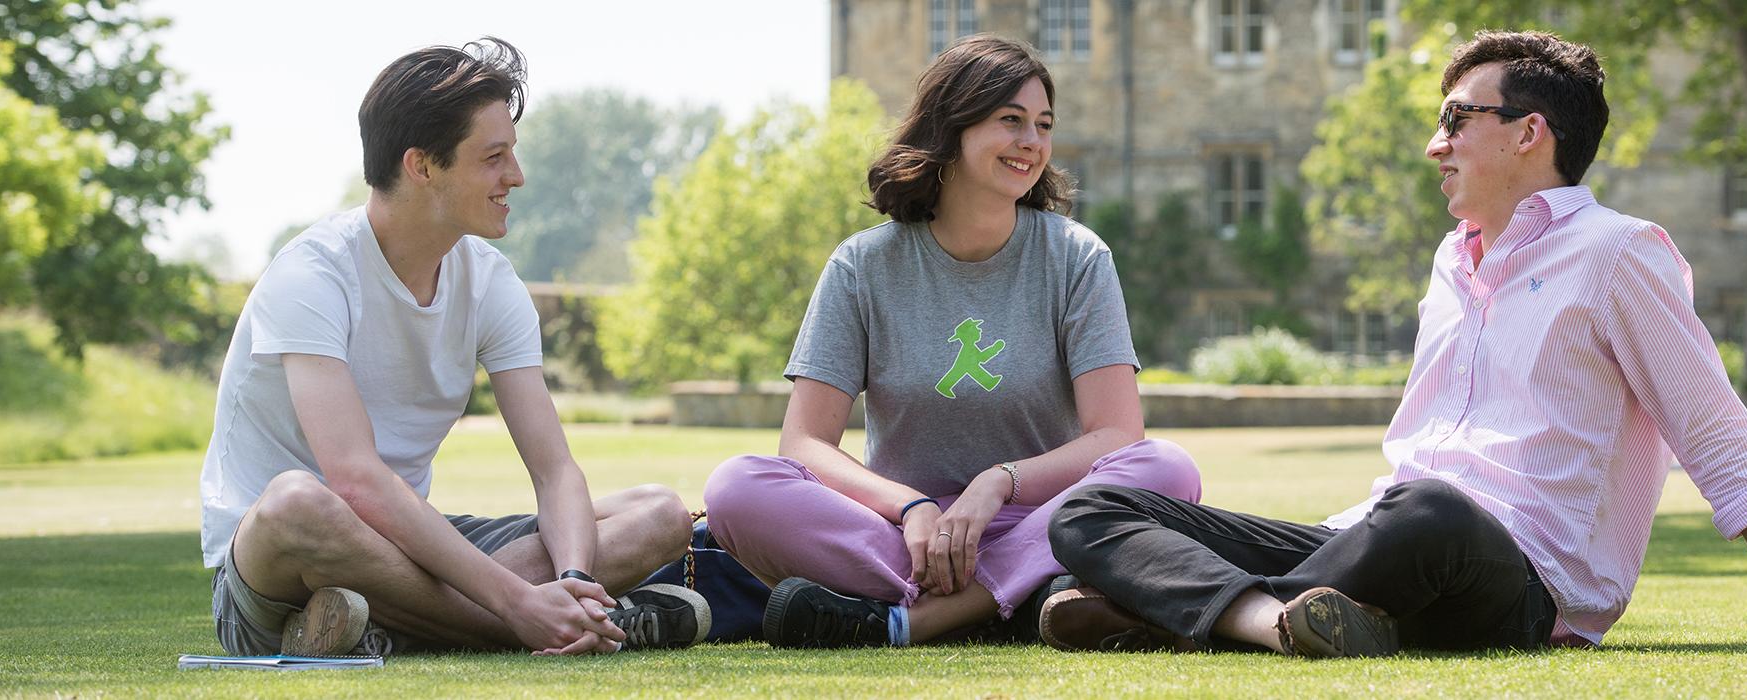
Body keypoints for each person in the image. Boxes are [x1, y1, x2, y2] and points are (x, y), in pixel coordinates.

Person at [1041, 30, 1747, 657]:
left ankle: (1168, 611)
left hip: (1516, 579)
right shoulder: (1452, 260)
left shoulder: (1618, 255)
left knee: (1428, 513)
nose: (1434, 144)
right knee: (1093, 508)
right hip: (1369, 537)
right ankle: (1276, 622)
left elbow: (1716, 435)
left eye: (1455, 120)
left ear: (1530, 133)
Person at [199, 37, 707, 658]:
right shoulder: (312, 274)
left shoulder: (490, 281)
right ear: (422, 166)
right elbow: (355, 480)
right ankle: (543, 625)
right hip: (278, 567)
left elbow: (554, 471)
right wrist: (518, 600)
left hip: (405, 552)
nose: (515, 177)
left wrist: (575, 577)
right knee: (298, 503)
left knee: (660, 514)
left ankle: (398, 627)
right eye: (493, 158)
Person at [701, 34, 1200, 649]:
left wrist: (997, 483)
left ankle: (921, 616)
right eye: (1010, 121)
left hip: (1046, 520)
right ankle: (1018, 598)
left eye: (1043, 124)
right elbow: (804, 443)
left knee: (1168, 469)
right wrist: (913, 509)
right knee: (736, 486)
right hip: (904, 540)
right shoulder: (863, 265)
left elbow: (1119, 437)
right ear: (951, 129)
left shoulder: (1076, 257)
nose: (1032, 142)